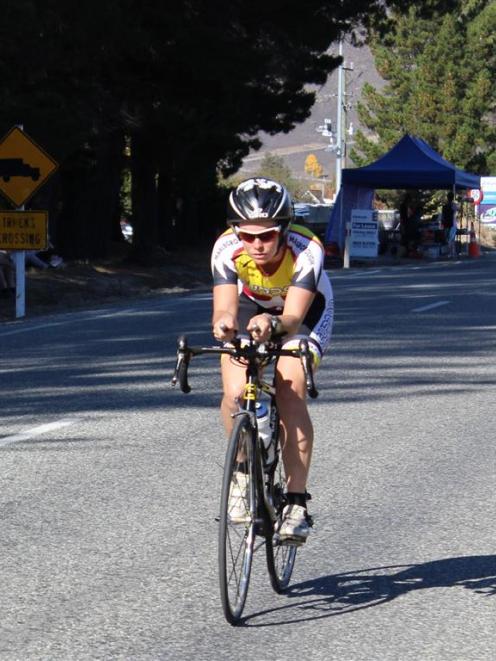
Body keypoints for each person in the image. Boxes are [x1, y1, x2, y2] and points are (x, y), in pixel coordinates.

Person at [211, 177, 334, 544]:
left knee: (289, 390)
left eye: (266, 235)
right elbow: (225, 307)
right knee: (235, 394)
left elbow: (293, 319)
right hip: (253, 308)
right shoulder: (225, 248)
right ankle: (244, 472)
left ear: (282, 230)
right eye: (247, 236)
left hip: (303, 311)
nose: (257, 244)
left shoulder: (307, 247)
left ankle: (296, 503)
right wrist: (225, 324)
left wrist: (273, 322)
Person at [441, 191, 458, 258]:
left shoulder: (444, 206)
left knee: (448, 239)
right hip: (452, 224)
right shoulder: (453, 205)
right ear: (453, 197)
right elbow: (456, 211)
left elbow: (442, 216)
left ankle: (450, 252)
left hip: (446, 223)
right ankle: (452, 252)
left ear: (447, 198)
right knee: (451, 239)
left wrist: (442, 223)